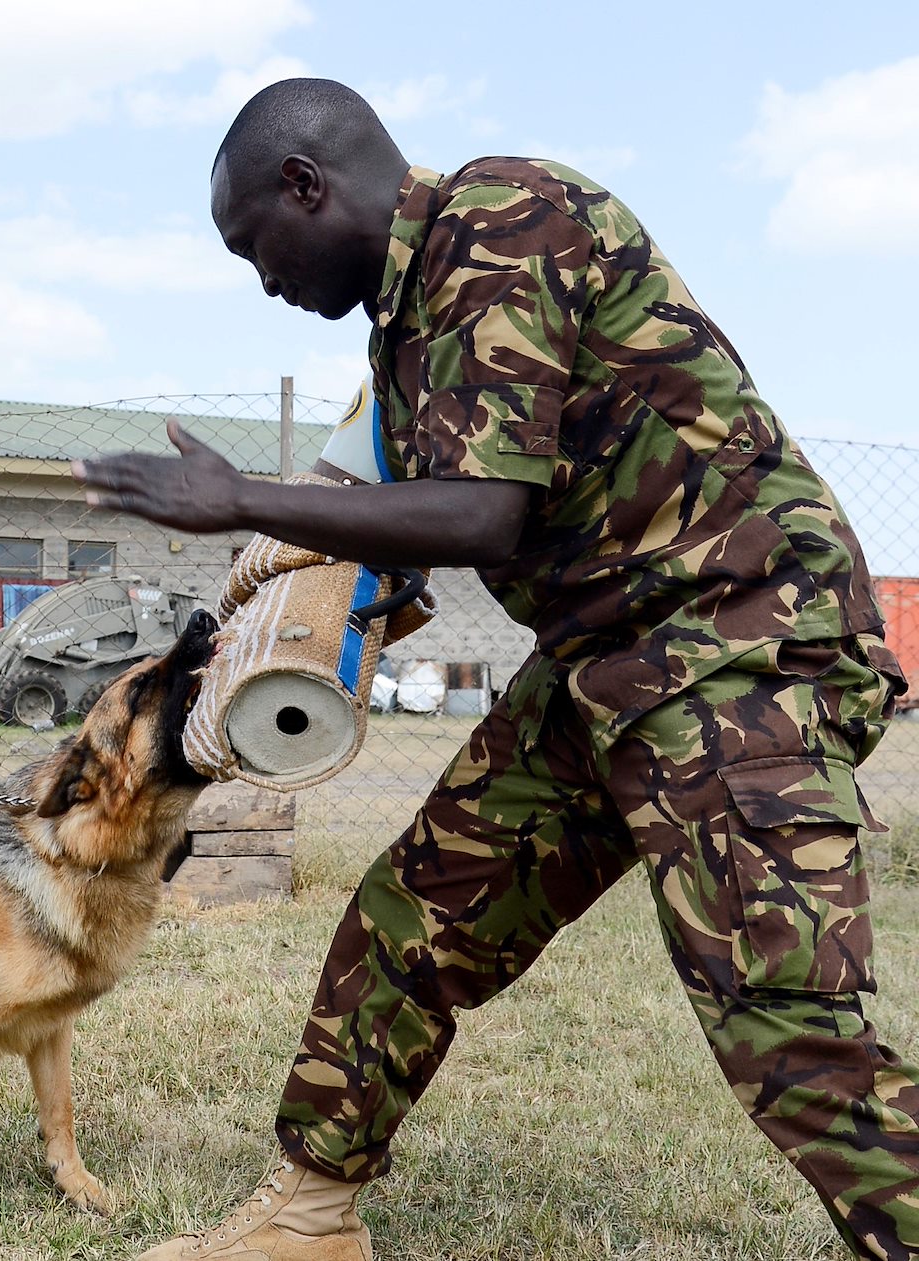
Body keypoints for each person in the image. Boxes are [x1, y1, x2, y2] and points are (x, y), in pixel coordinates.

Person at [76, 78, 919, 1261]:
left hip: (734, 645)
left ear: (304, 187)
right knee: (412, 913)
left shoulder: (502, 219)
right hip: (603, 660)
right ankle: (307, 1216)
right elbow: (419, 527)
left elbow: (481, 515)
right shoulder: (406, 331)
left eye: (249, 246)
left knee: (785, 1035)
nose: (259, 280)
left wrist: (234, 501)